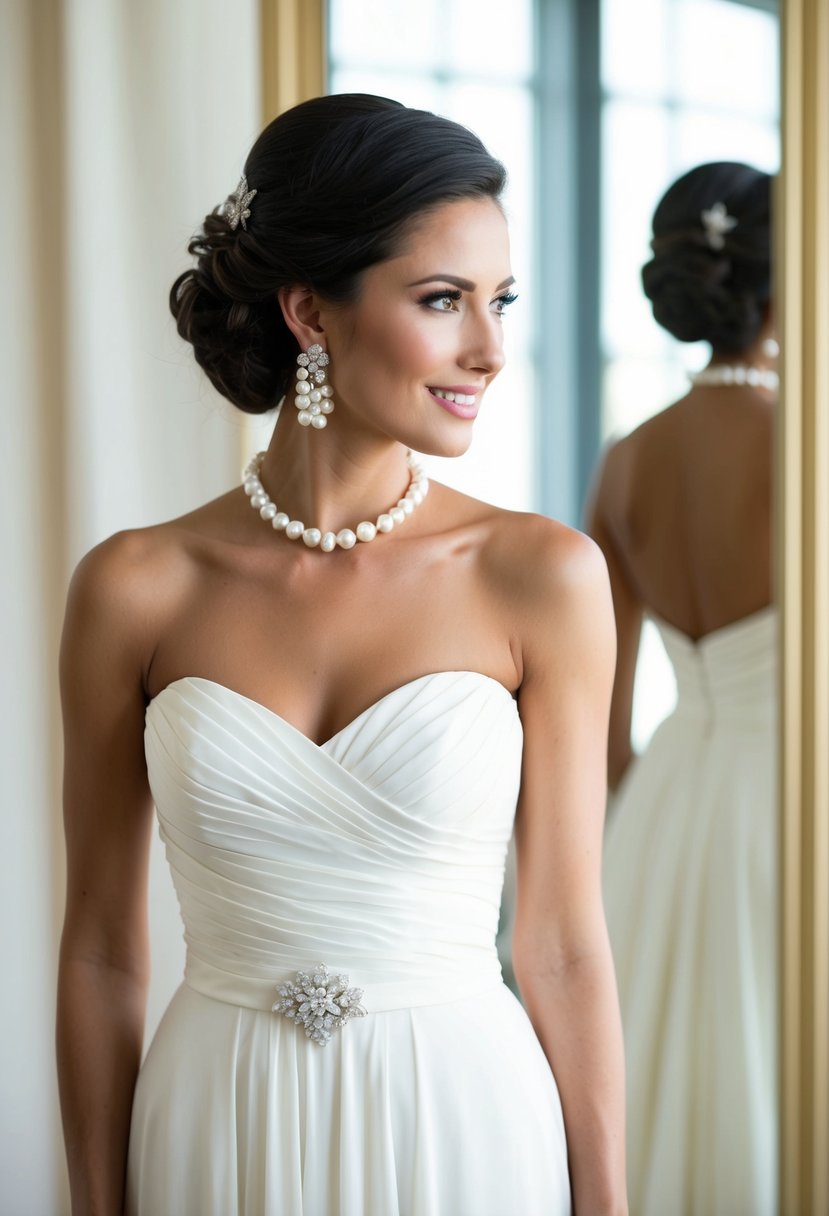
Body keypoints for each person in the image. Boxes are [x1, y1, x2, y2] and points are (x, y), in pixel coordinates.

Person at [57, 93, 627, 1216]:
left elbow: (562, 942)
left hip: (463, 1116)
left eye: (500, 301)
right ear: (310, 311)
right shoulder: (134, 586)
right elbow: (100, 951)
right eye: (442, 300)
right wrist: (92, 1199)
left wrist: (604, 1201)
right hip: (216, 1120)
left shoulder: (541, 575)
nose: (490, 349)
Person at [587, 162, 777, 1215]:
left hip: (661, 813)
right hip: (787, 812)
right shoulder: (809, 444)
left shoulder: (625, 461)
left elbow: (601, 732)